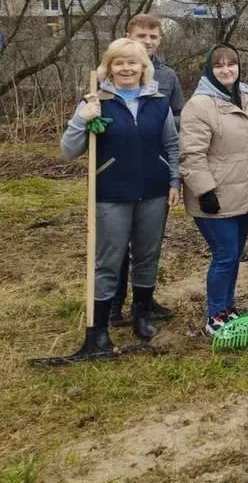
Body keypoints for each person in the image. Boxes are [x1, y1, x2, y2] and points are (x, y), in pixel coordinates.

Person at [60, 38, 180, 354]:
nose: (126, 68)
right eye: (118, 62)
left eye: (132, 62)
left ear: (143, 67)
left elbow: (171, 145)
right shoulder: (95, 101)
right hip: (110, 194)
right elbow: (68, 150)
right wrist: (81, 119)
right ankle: (98, 332)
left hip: (153, 192)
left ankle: (141, 315)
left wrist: (174, 181)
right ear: (109, 67)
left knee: (147, 255)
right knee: (108, 261)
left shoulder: (158, 101)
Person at [179, 44, 248, 336]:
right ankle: (215, 315)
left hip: (243, 192)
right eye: (219, 66)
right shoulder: (199, 105)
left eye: (232, 64)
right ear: (209, 71)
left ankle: (228, 308)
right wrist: (204, 190)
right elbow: (191, 155)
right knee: (225, 254)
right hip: (213, 197)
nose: (226, 70)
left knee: (235, 254)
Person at [110, 13, 185, 326]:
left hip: (155, 169)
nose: (148, 42)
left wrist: (157, 122)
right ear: (129, 34)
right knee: (116, 243)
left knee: (147, 243)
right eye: (142, 36)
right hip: (117, 173)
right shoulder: (113, 70)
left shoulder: (167, 77)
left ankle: (144, 301)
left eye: (153, 37)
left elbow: (181, 116)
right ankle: (113, 304)